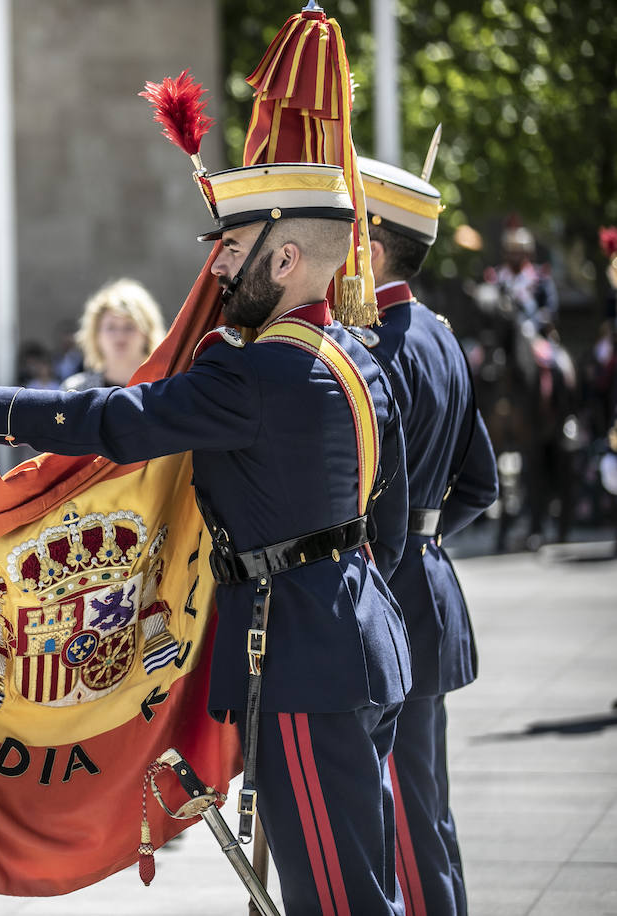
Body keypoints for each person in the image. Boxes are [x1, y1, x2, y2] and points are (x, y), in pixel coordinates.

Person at [0, 162, 413, 914]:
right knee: (360, 879)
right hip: (360, 639)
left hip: (303, 658)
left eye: (231, 248)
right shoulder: (355, 357)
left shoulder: (254, 373)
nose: (218, 265)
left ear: (285, 259)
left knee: (334, 899)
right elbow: (381, 521)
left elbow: (110, 420)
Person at [358, 156, 500, 915]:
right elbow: (481, 484)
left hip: (391, 595)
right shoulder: (439, 337)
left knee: (405, 819)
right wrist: (427, 539)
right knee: (426, 810)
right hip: (430, 586)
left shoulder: (375, 345)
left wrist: (398, 546)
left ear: (372, 248)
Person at [63, 278, 167, 390]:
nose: (120, 335)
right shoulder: (76, 390)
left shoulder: (164, 388)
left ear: (147, 333)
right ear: (96, 335)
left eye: (129, 327)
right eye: (111, 327)